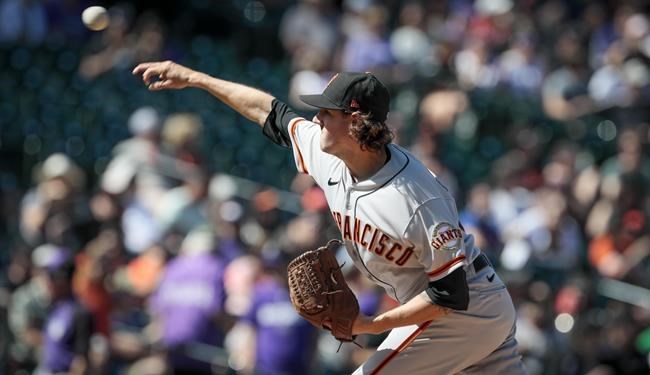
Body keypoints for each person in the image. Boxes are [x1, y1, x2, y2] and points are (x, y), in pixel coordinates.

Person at [133, 60, 526, 374]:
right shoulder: (330, 154)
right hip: (462, 313)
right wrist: (195, 78)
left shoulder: (418, 198)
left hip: (467, 312)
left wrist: (369, 325)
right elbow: (271, 113)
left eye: (327, 111)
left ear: (356, 122)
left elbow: (450, 295)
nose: (317, 118)